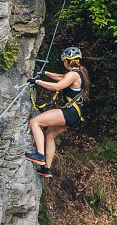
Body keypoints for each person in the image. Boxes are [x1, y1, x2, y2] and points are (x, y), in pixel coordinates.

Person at [24, 47, 91, 178]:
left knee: (35, 122)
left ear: (67, 61)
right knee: (49, 134)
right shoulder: (79, 72)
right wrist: (47, 73)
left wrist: (37, 81)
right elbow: (62, 77)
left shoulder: (72, 74)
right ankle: (46, 169)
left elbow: (58, 86)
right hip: (75, 115)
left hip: (70, 112)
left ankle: (39, 155)